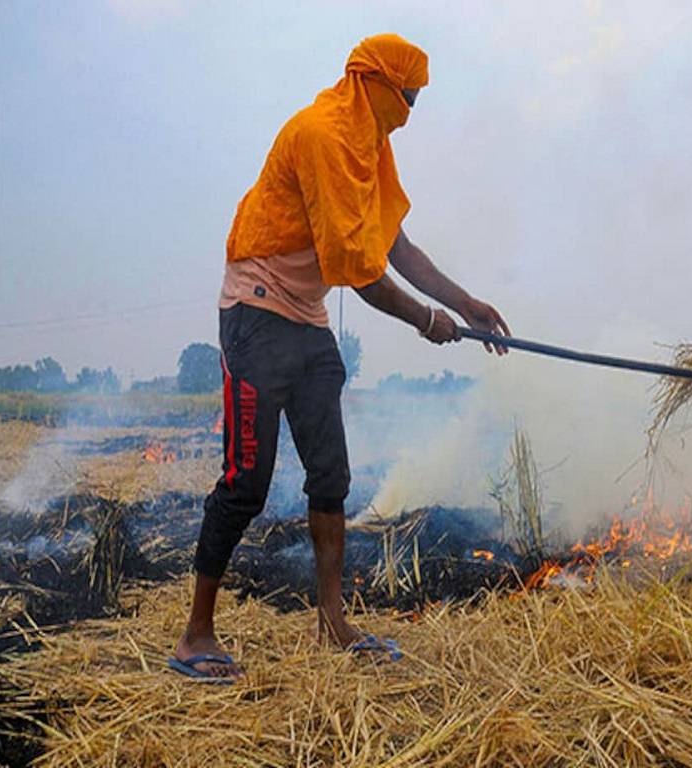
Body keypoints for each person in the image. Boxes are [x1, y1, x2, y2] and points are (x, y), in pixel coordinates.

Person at [169, 33, 510, 681]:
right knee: (246, 484)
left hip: (306, 319)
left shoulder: (369, 146)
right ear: (375, 85)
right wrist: (425, 320)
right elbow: (356, 268)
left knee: (331, 478)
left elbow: (395, 246)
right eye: (407, 96)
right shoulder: (324, 134)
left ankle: (333, 623)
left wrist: (465, 304)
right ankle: (195, 635)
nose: (410, 109)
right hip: (256, 309)